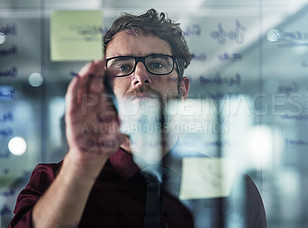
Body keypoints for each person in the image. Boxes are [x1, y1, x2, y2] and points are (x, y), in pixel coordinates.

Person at [8, 9, 267, 228]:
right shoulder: (53, 181)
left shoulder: (232, 187)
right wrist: (80, 167)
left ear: (183, 89)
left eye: (156, 64)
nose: (140, 76)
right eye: (122, 66)